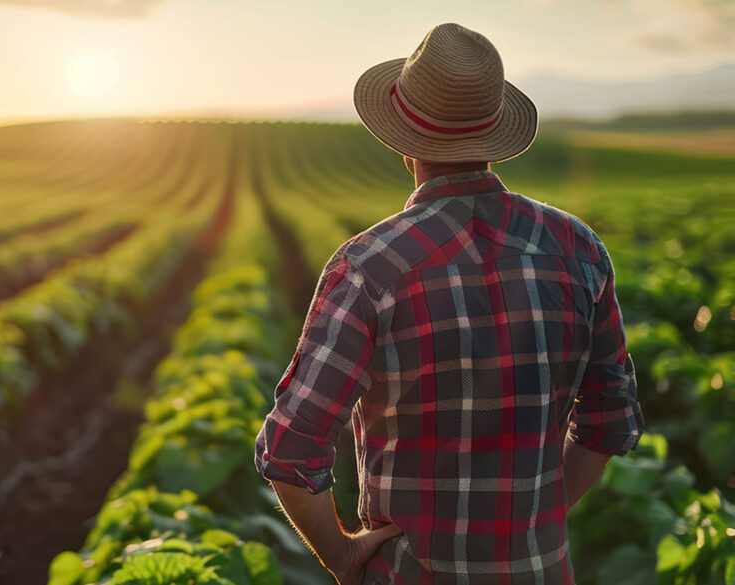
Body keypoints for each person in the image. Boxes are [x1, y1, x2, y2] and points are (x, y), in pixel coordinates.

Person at [253, 22, 645, 585]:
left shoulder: (370, 266)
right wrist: (534, 518)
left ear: (404, 140)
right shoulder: (578, 249)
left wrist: (342, 556)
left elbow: (291, 450)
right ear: (494, 136)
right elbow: (609, 421)